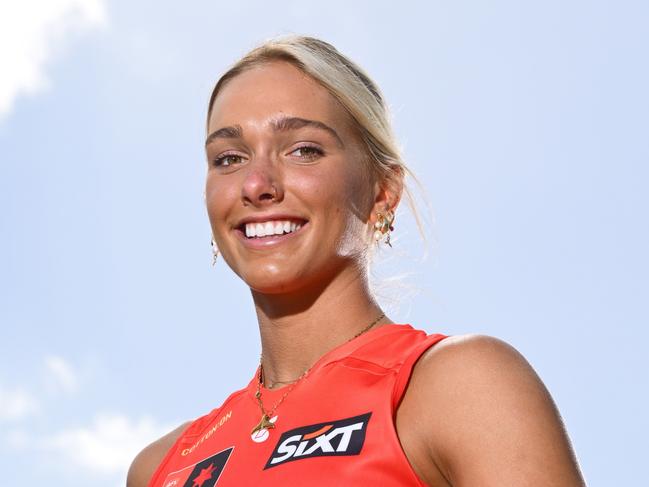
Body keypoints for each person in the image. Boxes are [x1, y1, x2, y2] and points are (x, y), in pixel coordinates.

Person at [127, 35, 586, 486]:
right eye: (229, 158)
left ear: (383, 193)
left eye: (303, 150)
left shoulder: (461, 388)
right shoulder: (161, 466)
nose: (256, 184)